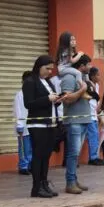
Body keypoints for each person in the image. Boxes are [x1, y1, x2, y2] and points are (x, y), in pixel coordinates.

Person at [23, 56, 62, 198]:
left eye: (51, 69)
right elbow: (29, 103)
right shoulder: (30, 82)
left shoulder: (47, 82)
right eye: (47, 68)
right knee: (38, 156)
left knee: (46, 156)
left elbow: (50, 102)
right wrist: (47, 99)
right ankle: (36, 187)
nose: (50, 72)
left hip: (51, 124)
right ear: (39, 66)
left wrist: (57, 99)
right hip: (37, 125)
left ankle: (44, 184)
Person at [60, 54, 93, 194]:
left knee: (76, 153)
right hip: (74, 121)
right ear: (81, 66)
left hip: (84, 119)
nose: (90, 67)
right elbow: (66, 99)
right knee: (73, 153)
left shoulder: (84, 78)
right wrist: (82, 90)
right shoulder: (69, 78)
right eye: (88, 64)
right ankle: (70, 182)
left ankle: (74, 179)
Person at [14, 71, 32, 175]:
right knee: (24, 148)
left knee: (31, 148)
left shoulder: (32, 93)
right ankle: (23, 166)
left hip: (32, 126)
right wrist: (19, 126)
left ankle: (30, 165)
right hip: (23, 127)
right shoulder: (19, 95)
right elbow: (18, 111)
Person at [85, 66, 103, 166]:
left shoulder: (96, 86)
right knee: (93, 136)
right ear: (92, 76)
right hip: (89, 114)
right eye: (97, 75)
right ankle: (93, 157)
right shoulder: (88, 85)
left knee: (95, 136)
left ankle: (94, 156)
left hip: (94, 114)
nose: (99, 77)